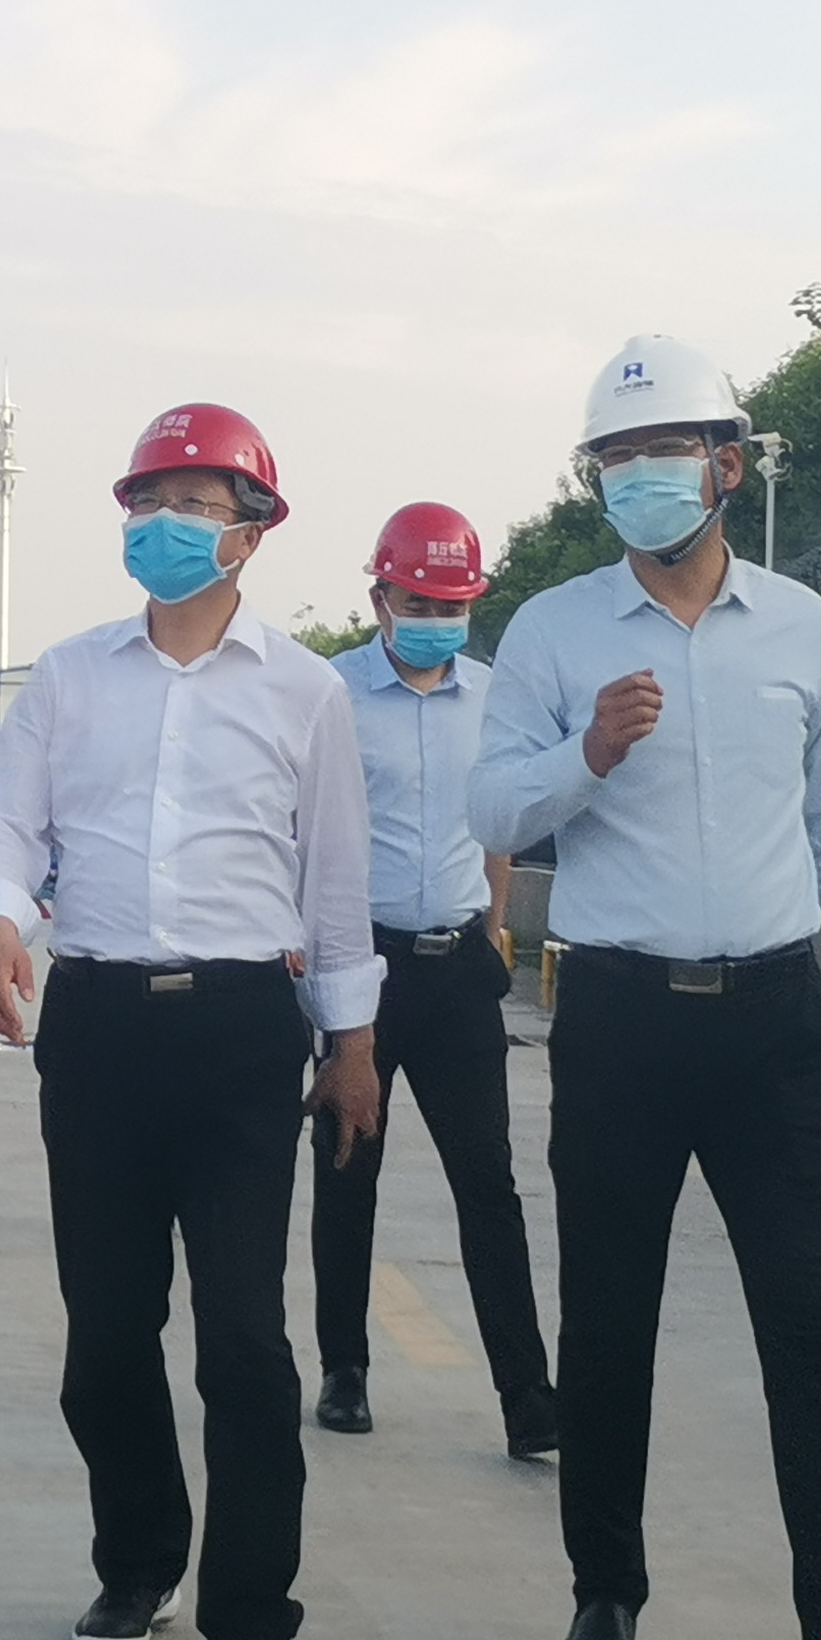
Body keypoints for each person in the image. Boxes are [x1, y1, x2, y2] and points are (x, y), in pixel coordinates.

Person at [465, 334, 821, 1640]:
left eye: (662, 454)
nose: (638, 480)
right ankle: (603, 1596)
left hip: (772, 1020)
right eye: (614, 460)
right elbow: (492, 813)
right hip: (620, 1016)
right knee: (608, 1321)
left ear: (726, 466)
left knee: (811, 1328)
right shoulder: (556, 633)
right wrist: (587, 755)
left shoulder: (800, 628)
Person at [0, 403, 377, 1640]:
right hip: (100, 1028)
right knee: (107, 1333)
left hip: (242, 1033)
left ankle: (255, 1624)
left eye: (196, 505)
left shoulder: (305, 692)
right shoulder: (71, 678)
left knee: (243, 1338)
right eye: (151, 502)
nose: (166, 525)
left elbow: (335, 885)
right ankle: (137, 1562)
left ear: (252, 532)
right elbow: (2, 829)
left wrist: (352, 1045)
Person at [314, 504, 557, 1454]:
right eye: (417, 602)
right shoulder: (331, 696)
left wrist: (492, 928)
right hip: (362, 969)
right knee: (348, 1169)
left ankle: (526, 1395)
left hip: (457, 967)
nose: (434, 619)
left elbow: (497, 825)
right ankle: (344, 1369)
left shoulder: (493, 700)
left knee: (488, 1184)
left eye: (452, 605)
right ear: (379, 597)